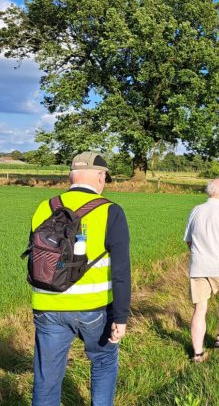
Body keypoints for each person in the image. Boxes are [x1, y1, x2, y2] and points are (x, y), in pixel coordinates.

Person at [30, 152, 130, 406]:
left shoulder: (44, 207)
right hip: (93, 309)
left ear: (71, 175)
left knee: (47, 378)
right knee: (104, 362)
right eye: (105, 177)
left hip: (48, 304)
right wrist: (121, 317)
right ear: (100, 176)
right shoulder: (111, 211)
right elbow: (121, 270)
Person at [183, 178, 219, 364]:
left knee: (200, 309)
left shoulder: (196, 210)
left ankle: (198, 354)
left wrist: (199, 254)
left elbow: (188, 240)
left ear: (210, 192)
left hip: (198, 266)